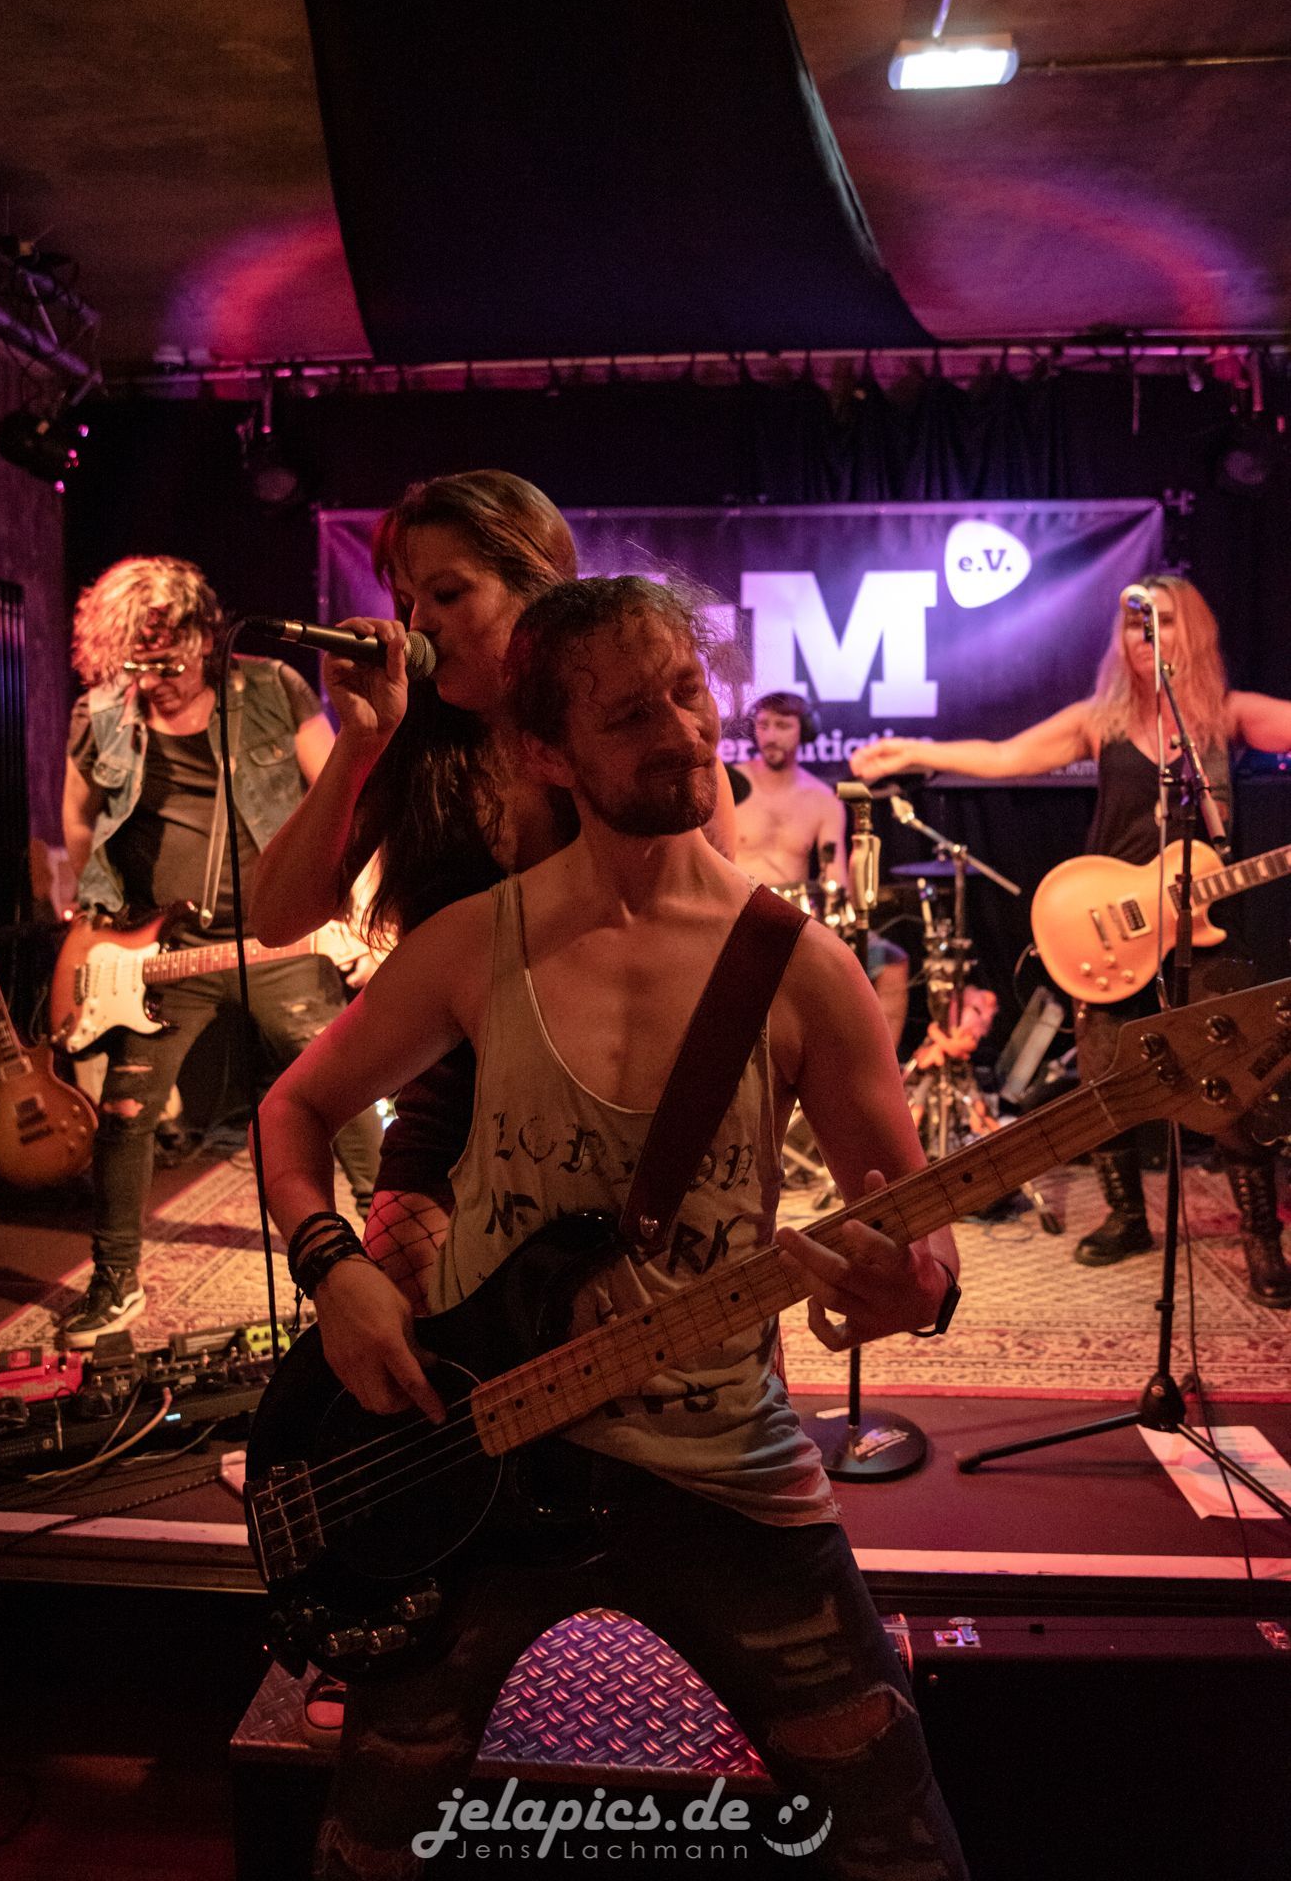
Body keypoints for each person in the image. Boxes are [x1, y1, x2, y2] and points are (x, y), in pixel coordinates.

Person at [258, 575, 967, 1881]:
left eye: (687, 693)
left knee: (896, 1831)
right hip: (475, 1455)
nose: (684, 732)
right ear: (546, 752)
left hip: (725, 1468)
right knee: (369, 1841)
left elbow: (920, 1229)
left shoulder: (803, 968)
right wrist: (333, 1269)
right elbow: (292, 1110)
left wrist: (912, 1285)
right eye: (632, 713)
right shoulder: (474, 943)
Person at [249, 469, 736, 1315]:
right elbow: (276, 917)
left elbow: (711, 940)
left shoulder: (641, 747)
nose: (417, 626)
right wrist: (360, 742)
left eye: (446, 594)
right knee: (421, 1358)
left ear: (537, 589)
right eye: (406, 601)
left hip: (621, 1106)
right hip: (450, 1112)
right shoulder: (411, 740)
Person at [851, 572, 1291, 1306]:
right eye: (1135, 624)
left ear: (1193, 632)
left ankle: (1261, 1241)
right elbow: (1003, 757)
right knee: (1103, 1076)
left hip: (1202, 930)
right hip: (1111, 925)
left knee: (1233, 1079)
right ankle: (1126, 1219)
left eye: (1163, 621)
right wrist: (912, 749)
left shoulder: (1226, 716)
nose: (1146, 636)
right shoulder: (1101, 719)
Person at [57, 556, 382, 1347]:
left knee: (342, 1091)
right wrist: (102, 920)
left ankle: (391, 1240)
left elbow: (343, 792)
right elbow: (78, 819)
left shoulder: (272, 688)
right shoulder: (102, 713)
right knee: (124, 1113)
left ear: (206, 635)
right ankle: (114, 1279)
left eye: (169, 663)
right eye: (137, 665)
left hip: (282, 936)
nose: (154, 682)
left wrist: (363, 900)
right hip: (170, 952)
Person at [734, 691, 910, 1046]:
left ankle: (877, 1074)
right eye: (763, 725)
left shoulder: (822, 799)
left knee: (892, 963)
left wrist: (840, 925)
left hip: (795, 919)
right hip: (737, 914)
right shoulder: (730, 785)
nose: (770, 735)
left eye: (782, 725)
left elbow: (835, 878)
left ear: (805, 730)